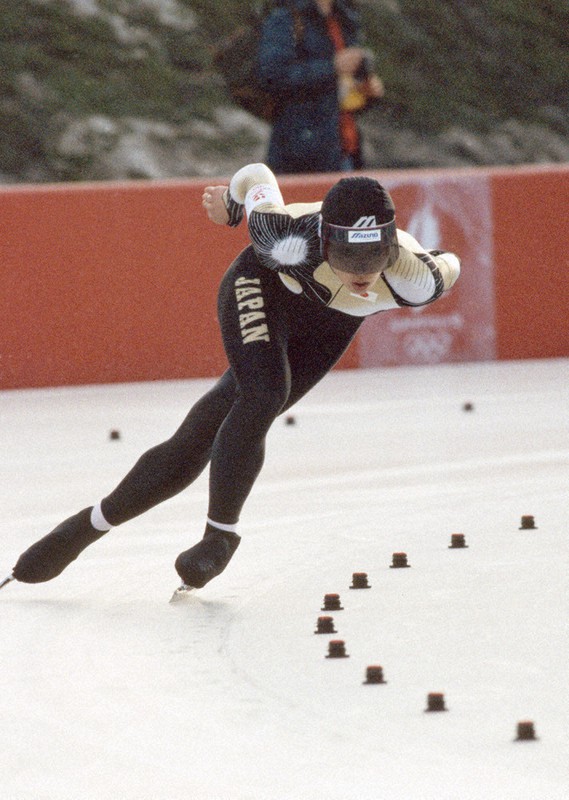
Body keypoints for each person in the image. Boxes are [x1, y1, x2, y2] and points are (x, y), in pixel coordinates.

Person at [6, 163, 460, 592]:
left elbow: (450, 262)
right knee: (264, 394)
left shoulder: (415, 279)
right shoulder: (282, 237)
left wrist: (398, 262)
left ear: (392, 248)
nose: (363, 273)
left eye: (375, 257)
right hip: (263, 286)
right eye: (347, 256)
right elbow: (256, 176)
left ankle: (85, 527)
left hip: (331, 323)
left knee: (203, 434)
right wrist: (230, 207)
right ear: (322, 241)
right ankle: (221, 537)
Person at [258, 0, 384, 174]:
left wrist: (367, 90)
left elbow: (341, 89)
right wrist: (332, 67)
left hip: (344, 144)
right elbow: (272, 77)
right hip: (299, 148)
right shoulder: (286, 18)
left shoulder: (345, 17)